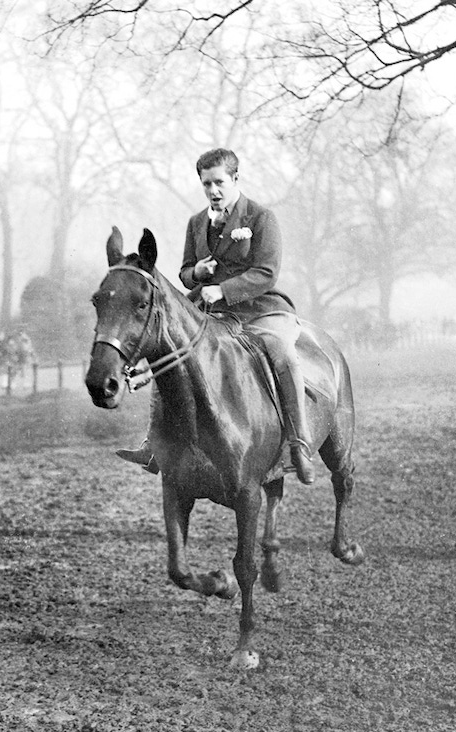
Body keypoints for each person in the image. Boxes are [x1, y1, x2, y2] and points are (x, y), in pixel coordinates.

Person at [115, 147, 317, 484]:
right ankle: (154, 443)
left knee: (283, 353)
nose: (213, 191)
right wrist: (198, 271)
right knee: (169, 351)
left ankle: (299, 443)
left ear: (235, 178)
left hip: (260, 308)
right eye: (206, 184)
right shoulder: (197, 223)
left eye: (219, 182)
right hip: (212, 312)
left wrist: (224, 289)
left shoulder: (261, 218)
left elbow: (266, 272)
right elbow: (183, 273)